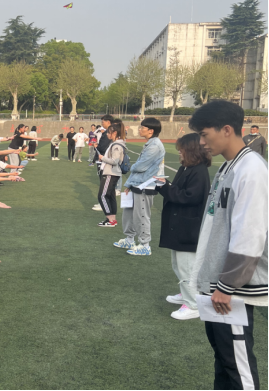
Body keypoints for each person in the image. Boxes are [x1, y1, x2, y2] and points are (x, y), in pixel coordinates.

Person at [188, 100, 269, 390]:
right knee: (224, 361)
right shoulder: (227, 167)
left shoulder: (251, 169)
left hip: (233, 289)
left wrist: (227, 285)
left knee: (238, 367)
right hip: (218, 283)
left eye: (204, 134)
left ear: (226, 130)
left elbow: (251, 233)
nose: (201, 142)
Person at [154, 133, 211, 321]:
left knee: (187, 267)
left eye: (182, 150)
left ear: (192, 151)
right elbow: (178, 191)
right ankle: (186, 293)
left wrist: (165, 187)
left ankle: (193, 304)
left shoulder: (199, 171)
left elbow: (189, 197)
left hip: (188, 226)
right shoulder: (186, 168)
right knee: (178, 264)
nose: (179, 152)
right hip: (179, 224)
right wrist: (164, 185)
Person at [114, 118, 165, 256]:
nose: (139, 129)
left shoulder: (155, 145)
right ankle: (130, 239)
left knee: (141, 216)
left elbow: (140, 167)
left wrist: (131, 166)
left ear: (151, 131)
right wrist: (129, 184)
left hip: (146, 185)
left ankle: (145, 245)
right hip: (137, 183)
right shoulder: (150, 144)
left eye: (142, 127)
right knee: (129, 214)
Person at [96, 123, 126, 228]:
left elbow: (114, 161)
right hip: (112, 172)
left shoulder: (116, 145)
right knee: (110, 195)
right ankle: (112, 219)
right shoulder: (116, 144)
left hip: (111, 173)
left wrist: (102, 158)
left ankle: (110, 219)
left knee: (102, 196)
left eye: (109, 132)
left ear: (114, 133)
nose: (107, 134)